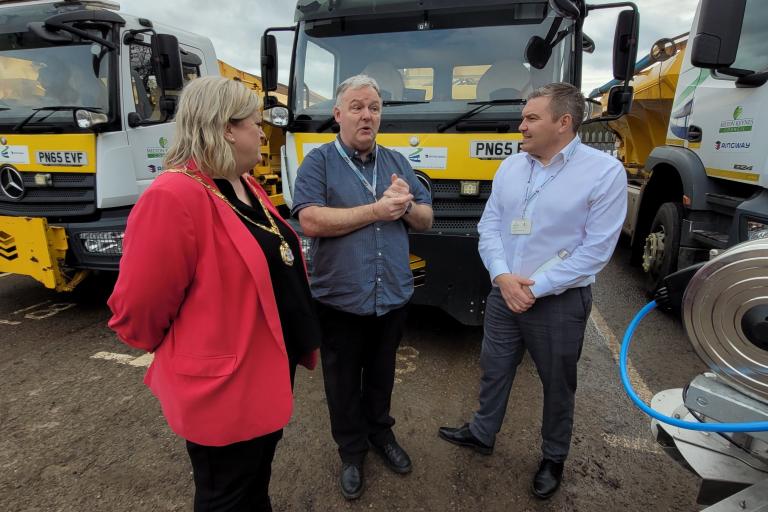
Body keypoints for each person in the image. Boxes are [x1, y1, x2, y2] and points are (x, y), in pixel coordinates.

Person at [107, 75, 320, 512]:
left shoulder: (242, 181)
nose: (262, 133)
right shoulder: (173, 196)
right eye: (254, 123)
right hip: (224, 387)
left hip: (266, 370)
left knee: (255, 483)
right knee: (226, 495)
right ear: (225, 127)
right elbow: (140, 308)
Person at [438, 83, 627, 499]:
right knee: (494, 369)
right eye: (523, 117)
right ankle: (482, 432)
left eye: (531, 118)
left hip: (559, 302)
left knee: (558, 384)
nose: (520, 126)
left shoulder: (604, 173)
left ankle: (553, 457)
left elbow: (595, 252)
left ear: (563, 123)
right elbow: (489, 227)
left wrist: (535, 288)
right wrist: (504, 278)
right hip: (505, 294)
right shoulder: (511, 167)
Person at [291, 74, 433, 500]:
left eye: (374, 107)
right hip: (339, 299)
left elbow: (426, 219)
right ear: (338, 114)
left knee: (382, 375)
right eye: (356, 107)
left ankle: (380, 435)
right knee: (341, 381)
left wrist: (405, 204)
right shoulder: (318, 162)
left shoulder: (397, 163)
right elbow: (311, 220)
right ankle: (351, 452)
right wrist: (376, 209)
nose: (366, 115)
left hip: (390, 295)